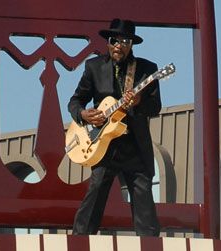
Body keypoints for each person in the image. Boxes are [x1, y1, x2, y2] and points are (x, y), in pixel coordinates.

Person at [68, 18, 161, 236]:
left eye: (125, 41)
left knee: (143, 198)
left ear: (131, 45)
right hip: (103, 143)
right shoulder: (94, 67)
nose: (119, 45)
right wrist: (83, 114)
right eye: (114, 40)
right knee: (96, 192)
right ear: (108, 43)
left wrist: (138, 102)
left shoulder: (147, 70)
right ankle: (80, 241)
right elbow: (75, 101)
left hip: (135, 145)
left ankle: (149, 245)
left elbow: (155, 107)